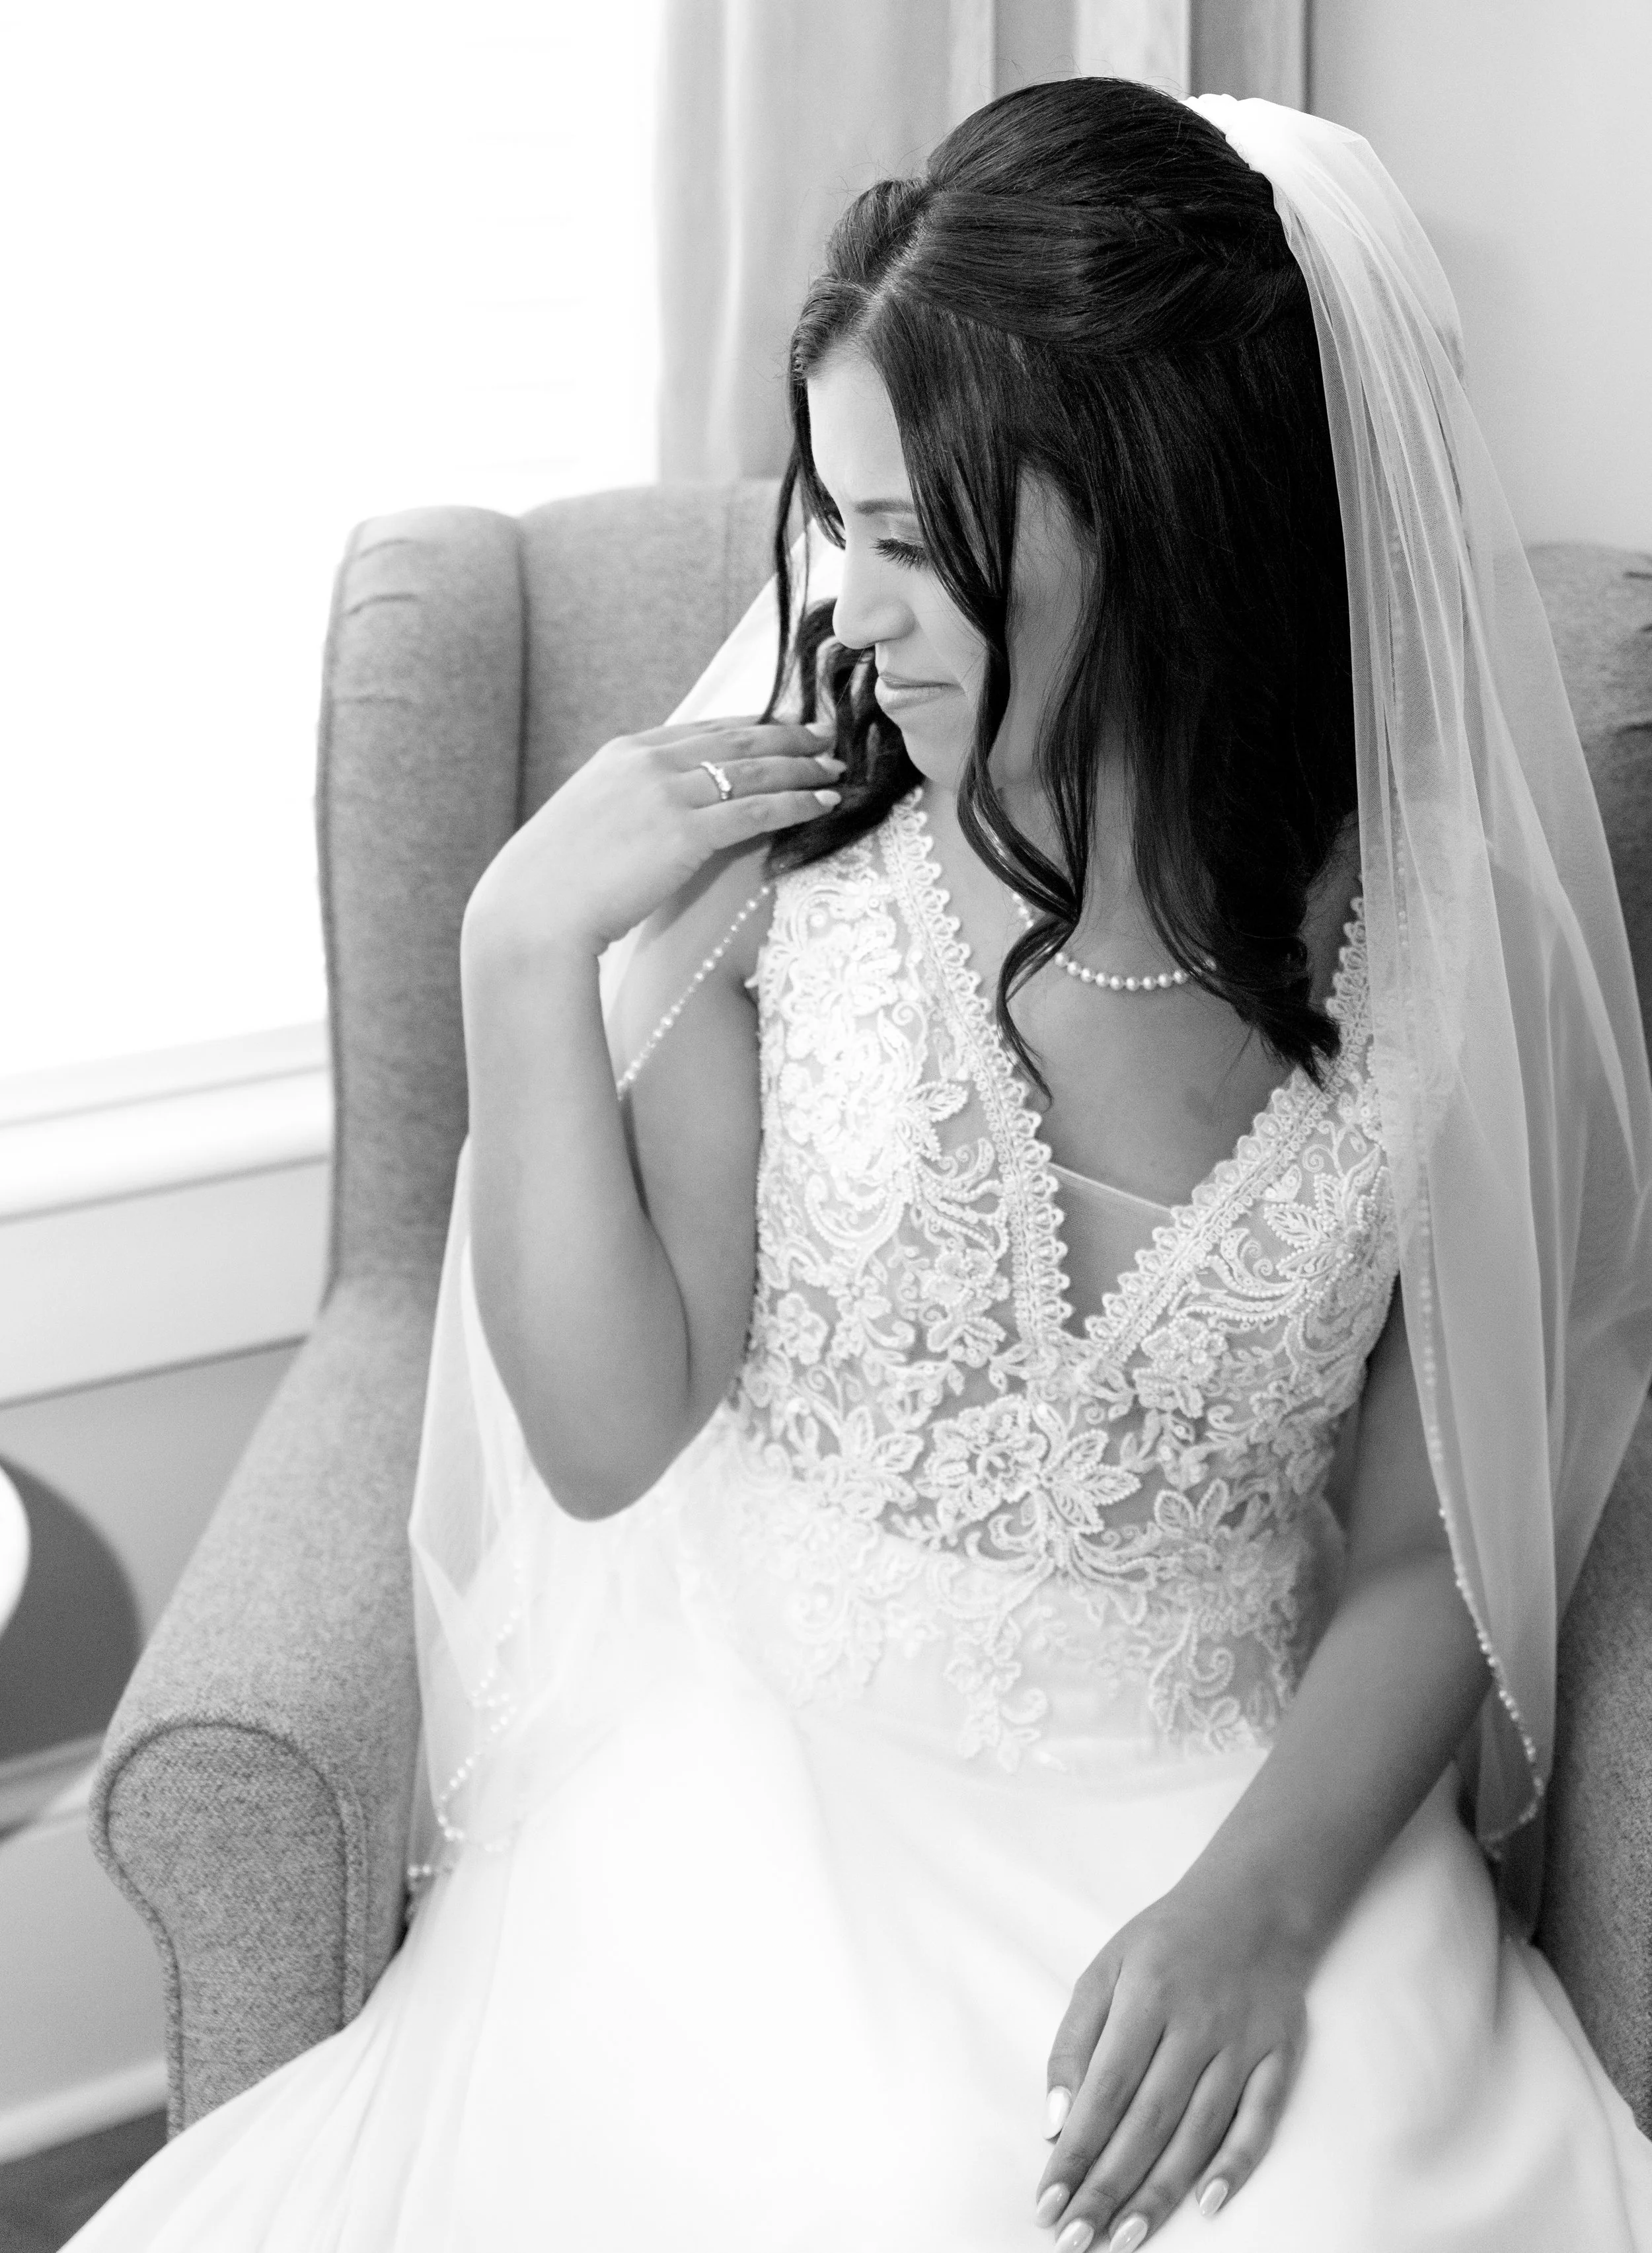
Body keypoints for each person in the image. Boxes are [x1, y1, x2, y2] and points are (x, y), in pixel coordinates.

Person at [69, 77, 1652, 2253]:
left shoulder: (1437, 956)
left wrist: (1253, 1917)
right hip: (785, 1782)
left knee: (1351, 2203)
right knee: (887, 2186)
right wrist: (522, 945)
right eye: (836, 520)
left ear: (1165, 516)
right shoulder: (796, 897)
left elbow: (1430, 1562)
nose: (854, 598)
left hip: (1232, 1802)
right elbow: (612, 1439)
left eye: (920, 534)